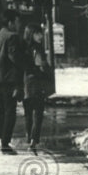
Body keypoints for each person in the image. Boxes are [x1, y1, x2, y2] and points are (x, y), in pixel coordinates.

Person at [0, 9, 24, 155]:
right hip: (8, 79)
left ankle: (2, 138)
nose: (19, 24)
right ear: (10, 22)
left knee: (1, 109)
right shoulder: (12, 37)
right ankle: (5, 143)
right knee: (10, 111)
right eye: (17, 21)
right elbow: (14, 57)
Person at [22, 24, 54, 154]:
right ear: (32, 34)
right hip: (36, 83)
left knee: (28, 114)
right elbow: (41, 65)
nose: (40, 36)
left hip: (25, 84)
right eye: (37, 33)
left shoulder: (23, 48)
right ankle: (33, 141)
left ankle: (29, 137)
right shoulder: (37, 49)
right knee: (38, 113)